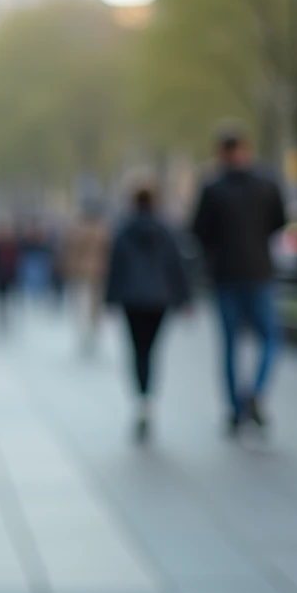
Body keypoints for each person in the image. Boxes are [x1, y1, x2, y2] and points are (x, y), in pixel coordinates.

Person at [192, 123, 287, 435]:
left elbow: (199, 232)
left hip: (225, 275)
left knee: (230, 344)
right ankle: (256, 392)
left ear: (220, 152)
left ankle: (236, 408)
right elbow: (279, 223)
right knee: (270, 337)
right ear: (246, 149)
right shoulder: (266, 184)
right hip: (260, 272)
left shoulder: (212, 187)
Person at [105, 184, 191, 442]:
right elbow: (177, 265)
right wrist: (184, 299)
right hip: (159, 299)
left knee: (137, 350)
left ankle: (141, 400)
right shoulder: (167, 230)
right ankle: (149, 399)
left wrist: (110, 299)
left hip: (132, 299)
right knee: (152, 350)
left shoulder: (123, 231)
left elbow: (115, 267)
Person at [61, 202, 111, 355]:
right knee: (94, 307)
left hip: (80, 273)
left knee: (81, 305)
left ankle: (85, 335)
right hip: (98, 273)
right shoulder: (103, 231)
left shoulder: (77, 231)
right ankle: (93, 334)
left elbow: (70, 252)